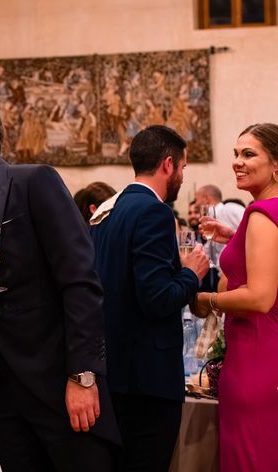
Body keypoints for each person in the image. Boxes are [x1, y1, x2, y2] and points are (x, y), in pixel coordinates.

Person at [0, 97, 120, 472]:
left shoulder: (34, 181)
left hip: (57, 381)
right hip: (2, 393)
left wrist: (82, 375)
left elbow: (80, 281)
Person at [90, 125, 209, 471]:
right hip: (148, 380)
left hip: (115, 372)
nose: (183, 177)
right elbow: (156, 298)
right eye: (184, 168)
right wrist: (192, 273)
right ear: (168, 164)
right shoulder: (154, 212)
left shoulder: (108, 212)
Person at [195, 123, 278, 472]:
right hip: (267, 354)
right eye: (235, 154)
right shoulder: (265, 214)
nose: (237, 162)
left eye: (249, 154)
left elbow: (260, 296)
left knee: (251, 459)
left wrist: (206, 299)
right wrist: (233, 238)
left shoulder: (261, 215)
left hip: (254, 356)